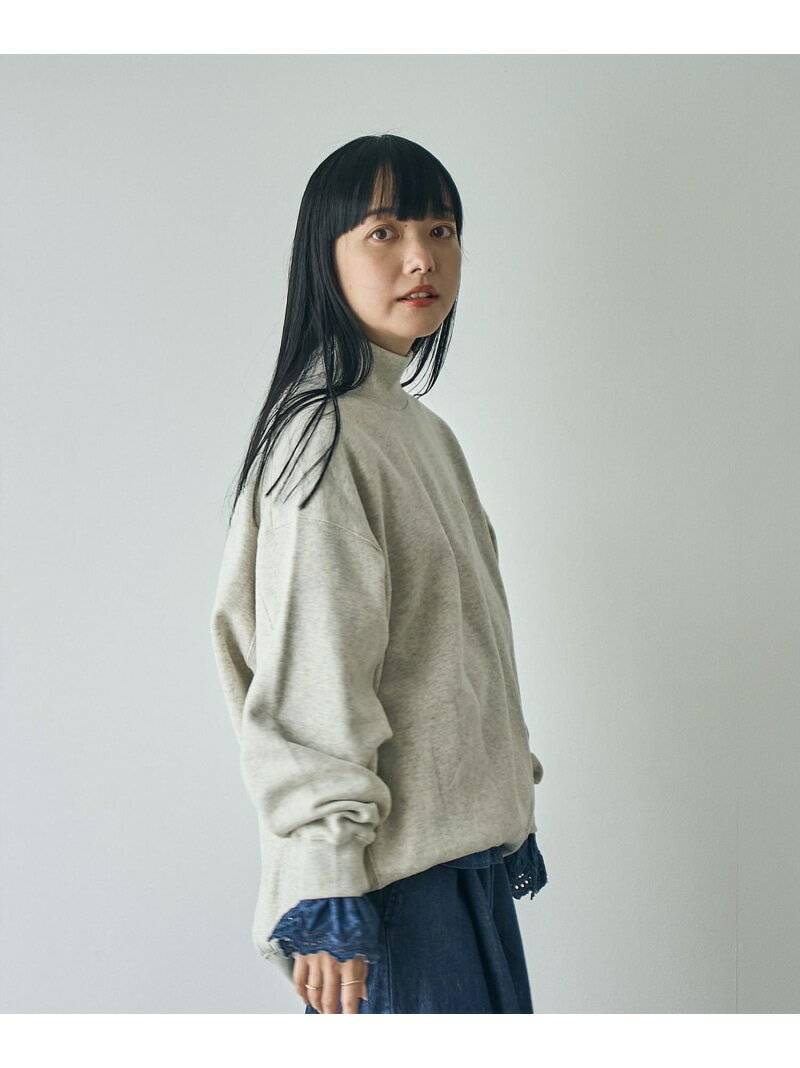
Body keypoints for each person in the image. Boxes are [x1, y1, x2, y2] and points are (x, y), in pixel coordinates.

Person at [210, 133, 548, 1014]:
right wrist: (324, 873)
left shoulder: (419, 431)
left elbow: (453, 654)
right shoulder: (324, 437)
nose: (421, 258)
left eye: (441, 230)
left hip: (458, 867)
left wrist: (504, 797)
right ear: (324, 257)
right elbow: (311, 679)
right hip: (389, 894)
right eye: (384, 232)